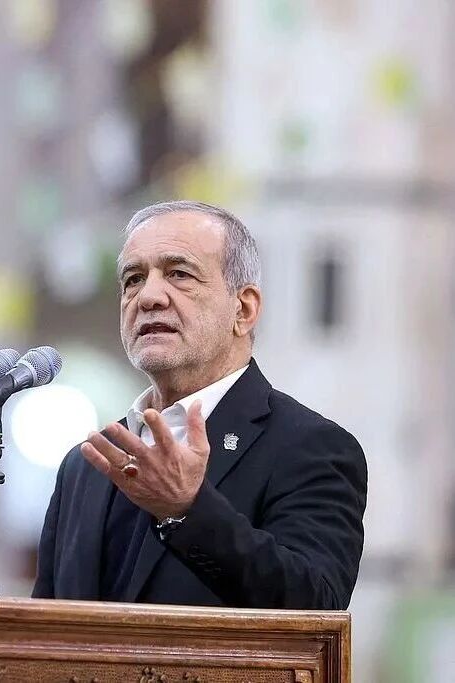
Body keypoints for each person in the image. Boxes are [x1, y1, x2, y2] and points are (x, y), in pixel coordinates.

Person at [32, 200, 367, 609]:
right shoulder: (85, 465)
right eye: (134, 279)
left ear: (243, 309)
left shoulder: (311, 448)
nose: (149, 296)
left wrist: (188, 511)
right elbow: (45, 626)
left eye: (179, 274)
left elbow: (315, 606)